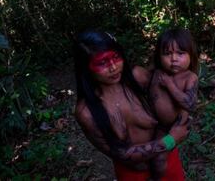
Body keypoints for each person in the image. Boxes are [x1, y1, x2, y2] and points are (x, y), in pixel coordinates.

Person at [73, 30, 189, 180]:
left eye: (116, 57)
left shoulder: (138, 77)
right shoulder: (86, 113)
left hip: (167, 162)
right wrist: (170, 140)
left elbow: (175, 101)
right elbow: (120, 153)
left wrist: (181, 120)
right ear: (85, 67)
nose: (113, 67)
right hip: (133, 174)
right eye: (102, 63)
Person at [148, 28, 199, 180]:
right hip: (154, 124)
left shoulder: (190, 77)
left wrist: (170, 85)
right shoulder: (157, 72)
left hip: (172, 129)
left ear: (191, 55)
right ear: (159, 56)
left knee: (160, 160)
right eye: (167, 53)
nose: (174, 58)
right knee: (148, 155)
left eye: (180, 53)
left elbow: (190, 104)